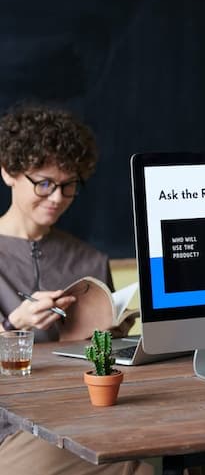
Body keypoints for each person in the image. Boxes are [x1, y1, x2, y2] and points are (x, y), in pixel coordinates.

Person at [0, 103, 151, 475]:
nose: (56, 198)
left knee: (157, 444)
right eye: (44, 183)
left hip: (85, 416)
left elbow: (104, 364)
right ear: (9, 172)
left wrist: (111, 337)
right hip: (12, 429)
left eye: (68, 186)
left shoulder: (89, 261)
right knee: (143, 455)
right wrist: (13, 327)